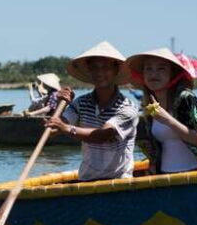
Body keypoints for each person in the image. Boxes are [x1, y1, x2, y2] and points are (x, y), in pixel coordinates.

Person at [45, 41, 139, 181]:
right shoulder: (81, 103)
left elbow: (103, 135)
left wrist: (66, 128)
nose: (100, 73)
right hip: (87, 180)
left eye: (105, 67)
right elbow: (51, 131)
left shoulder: (128, 107)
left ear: (115, 70)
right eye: (94, 68)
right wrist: (60, 106)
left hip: (119, 183)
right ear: (89, 71)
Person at [126, 48, 197, 175]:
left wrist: (168, 120)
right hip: (164, 176)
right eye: (148, 68)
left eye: (161, 68)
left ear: (172, 73)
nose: (153, 74)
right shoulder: (149, 105)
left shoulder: (186, 98)